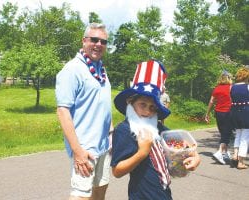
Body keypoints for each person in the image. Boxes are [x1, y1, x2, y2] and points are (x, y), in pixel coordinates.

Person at [111, 60, 201, 199]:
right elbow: (117, 171)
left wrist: (195, 156)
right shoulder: (124, 130)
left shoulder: (156, 126)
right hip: (142, 196)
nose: (147, 112)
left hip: (164, 193)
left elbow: (183, 144)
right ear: (130, 102)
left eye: (152, 107)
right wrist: (142, 153)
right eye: (142, 105)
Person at [55, 23, 113, 200]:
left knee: (100, 191)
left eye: (103, 41)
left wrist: (111, 136)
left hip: (104, 146)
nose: (98, 44)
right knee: (81, 196)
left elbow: (103, 105)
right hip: (85, 148)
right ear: (84, 40)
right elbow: (62, 111)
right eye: (94, 39)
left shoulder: (100, 69)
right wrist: (77, 151)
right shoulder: (72, 70)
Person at [204, 71, 233, 165]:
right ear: (229, 78)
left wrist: (207, 114)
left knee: (223, 132)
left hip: (218, 112)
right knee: (227, 133)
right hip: (228, 112)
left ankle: (225, 153)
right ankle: (220, 152)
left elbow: (211, 101)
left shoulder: (216, 88)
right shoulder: (231, 88)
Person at [230, 67, 249, 169]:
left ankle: (235, 155)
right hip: (246, 112)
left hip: (234, 112)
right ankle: (240, 162)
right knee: (245, 137)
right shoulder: (247, 87)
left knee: (238, 134)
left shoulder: (232, 87)